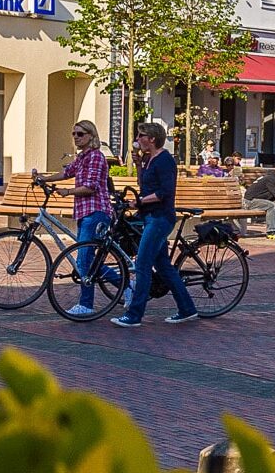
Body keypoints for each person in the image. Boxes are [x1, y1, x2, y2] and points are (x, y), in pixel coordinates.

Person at [111, 122, 199, 326]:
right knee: (164, 267)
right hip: (149, 216)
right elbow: (144, 186)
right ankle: (187, 308)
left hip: (160, 218)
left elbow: (164, 192)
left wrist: (140, 201)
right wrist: (139, 165)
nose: (137, 139)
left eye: (141, 135)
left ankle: (134, 315)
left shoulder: (165, 160)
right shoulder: (149, 159)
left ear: (152, 139)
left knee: (142, 264)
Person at [33, 119, 113, 318]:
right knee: (88, 260)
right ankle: (126, 286)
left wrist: (68, 191)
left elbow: (91, 186)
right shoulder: (82, 157)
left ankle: (86, 305)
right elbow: (66, 172)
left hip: (96, 212)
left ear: (91, 136)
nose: (76, 138)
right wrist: (44, 178)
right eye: (74, 134)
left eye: (80, 134)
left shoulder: (96, 157)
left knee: (84, 259)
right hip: (84, 212)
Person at [244, 164, 275, 239]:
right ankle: (270, 232)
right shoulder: (271, 178)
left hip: (260, 200)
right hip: (250, 201)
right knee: (271, 206)